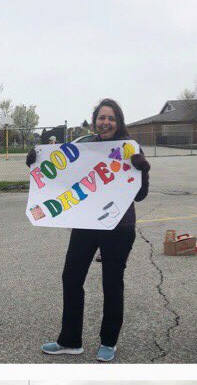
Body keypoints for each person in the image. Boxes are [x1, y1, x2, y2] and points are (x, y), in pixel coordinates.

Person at [30, 98, 150, 362]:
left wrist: (143, 170)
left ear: (118, 121)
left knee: (112, 283)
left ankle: (109, 341)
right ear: (95, 120)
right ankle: (70, 340)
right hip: (86, 223)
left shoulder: (129, 148)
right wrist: (36, 164)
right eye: (101, 117)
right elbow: (61, 178)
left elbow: (140, 195)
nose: (105, 122)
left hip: (119, 225)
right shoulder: (86, 147)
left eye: (111, 118)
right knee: (71, 277)